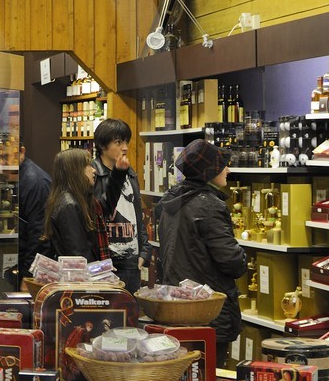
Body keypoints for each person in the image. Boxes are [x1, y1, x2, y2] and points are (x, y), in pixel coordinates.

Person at [153, 138, 246, 348]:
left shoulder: (171, 201)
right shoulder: (210, 206)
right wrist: (242, 256)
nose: (228, 170)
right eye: (222, 166)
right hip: (207, 308)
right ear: (209, 172)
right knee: (209, 366)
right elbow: (232, 262)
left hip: (176, 303)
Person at [92, 119, 149, 293]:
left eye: (126, 142)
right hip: (105, 263)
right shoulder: (92, 174)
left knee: (130, 308)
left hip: (131, 262)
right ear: (103, 145)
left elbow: (137, 214)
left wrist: (144, 251)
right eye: (118, 142)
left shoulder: (130, 174)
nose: (124, 147)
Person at [41, 148, 107, 261]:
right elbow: (79, 256)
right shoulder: (69, 206)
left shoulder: (72, 200)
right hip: (78, 271)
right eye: (88, 165)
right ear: (76, 170)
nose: (94, 170)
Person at [6, 143, 52, 288]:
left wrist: (28, 276)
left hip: (34, 268)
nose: (2, 162)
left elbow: (40, 234)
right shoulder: (22, 176)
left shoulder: (35, 182)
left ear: (22, 152)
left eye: (6, 156)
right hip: (25, 262)